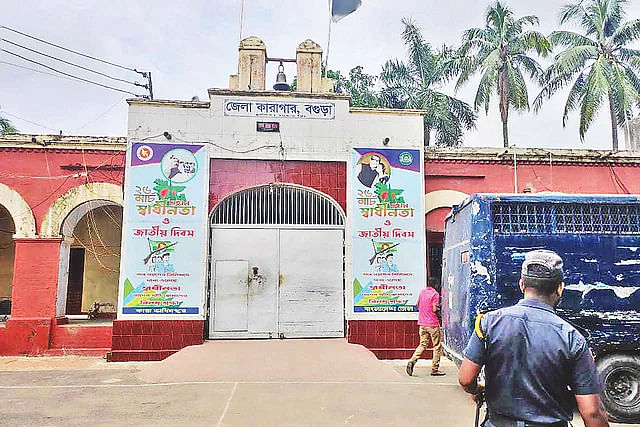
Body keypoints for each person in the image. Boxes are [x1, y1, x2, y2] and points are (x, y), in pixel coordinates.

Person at [458, 250, 609, 427]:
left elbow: (466, 379)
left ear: (522, 285)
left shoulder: (488, 323)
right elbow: (591, 411)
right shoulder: (571, 338)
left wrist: (476, 390)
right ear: (560, 288)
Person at [406, 280, 445, 376]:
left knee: (423, 344)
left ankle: (412, 360)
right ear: (436, 285)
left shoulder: (422, 292)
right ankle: (434, 369)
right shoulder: (435, 294)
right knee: (437, 346)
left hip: (422, 324)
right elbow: (434, 309)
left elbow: (417, 304)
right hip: (432, 324)